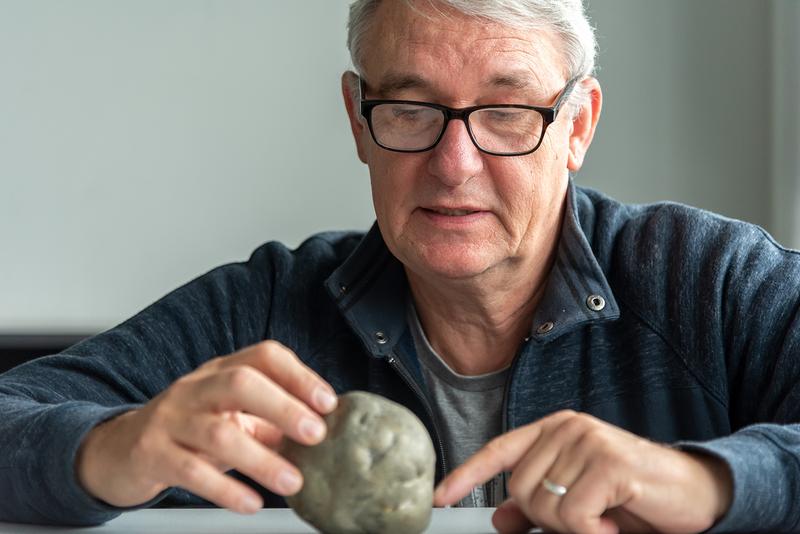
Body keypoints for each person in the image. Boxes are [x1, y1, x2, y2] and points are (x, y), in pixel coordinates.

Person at [1, 0, 798, 532]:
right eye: (411, 110)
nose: (455, 165)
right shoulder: (265, 313)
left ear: (577, 125)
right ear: (358, 120)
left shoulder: (708, 281)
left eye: (505, 113)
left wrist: (706, 484)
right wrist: (110, 448)